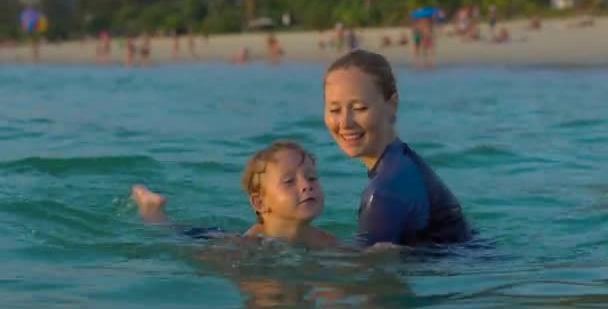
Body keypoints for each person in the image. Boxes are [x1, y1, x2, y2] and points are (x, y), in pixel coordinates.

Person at [323, 49, 472, 247]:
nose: (345, 123)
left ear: (392, 105)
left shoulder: (386, 191)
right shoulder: (402, 163)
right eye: (335, 110)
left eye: (359, 108)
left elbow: (368, 270)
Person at [132, 141, 337, 248]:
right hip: (210, 239)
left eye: (312, 178)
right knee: (173, 233)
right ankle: (153, 213)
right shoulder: (250, 246)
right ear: (259, 202)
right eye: (289, 181)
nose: (306, 186)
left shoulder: (326, 241)